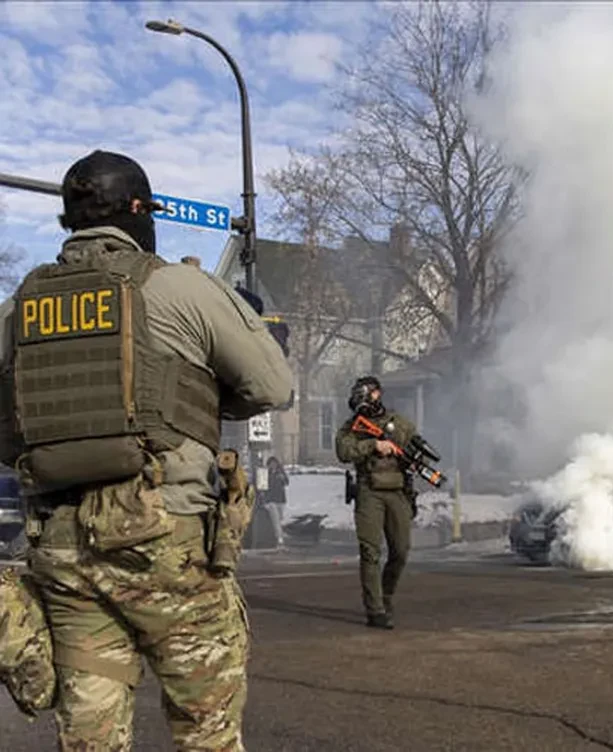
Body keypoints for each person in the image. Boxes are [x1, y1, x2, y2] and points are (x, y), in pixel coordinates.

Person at [0, 150, 293, 748]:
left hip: (63, 549)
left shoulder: (16, 310)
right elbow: (273, 386)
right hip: (164, 546)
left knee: (91, 734)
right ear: (140, 213)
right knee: (204, 730)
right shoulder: (180, 287)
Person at [334, 376, 418, 629]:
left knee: (401, 551)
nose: (362, 397)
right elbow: (344, 451)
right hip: (369, 490)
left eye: (366, 392)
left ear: (378, 394)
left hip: (397, 491)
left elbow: (413, 446)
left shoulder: (398, 423)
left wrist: (410, 459)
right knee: (370, 552)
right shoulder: (352, 427)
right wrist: (373, 445)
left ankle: (386, 595)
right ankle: (375, 609)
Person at [265, 456, 290, 548]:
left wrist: (282, 478)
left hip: (281, 499)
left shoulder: (281, 472)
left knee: (280, 519)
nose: (273, 465)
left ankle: (279, 535)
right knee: (275, 520)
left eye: (274, 463)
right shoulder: (267, 473)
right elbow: (263, 486)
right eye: (271, 463)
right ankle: (279, 538)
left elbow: (286, 483)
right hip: (271, 500)